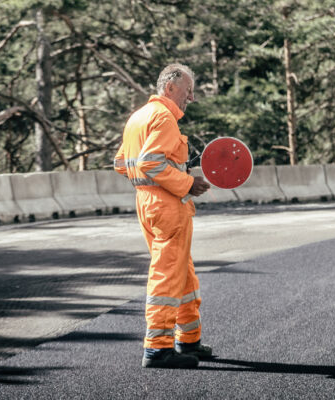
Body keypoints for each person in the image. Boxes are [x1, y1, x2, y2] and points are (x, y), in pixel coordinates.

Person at [113, 63, 212, 368]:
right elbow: (149, 164)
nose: (191, 98)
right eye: (188, 90)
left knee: (182, 271)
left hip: (148, 203)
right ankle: (157, 349)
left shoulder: (138, 117)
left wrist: (173, 170)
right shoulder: (163, 117)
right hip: (166, 205)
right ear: (170, 88)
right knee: (167, 274)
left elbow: (122, 162)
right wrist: (186, 182)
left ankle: (188, 340)